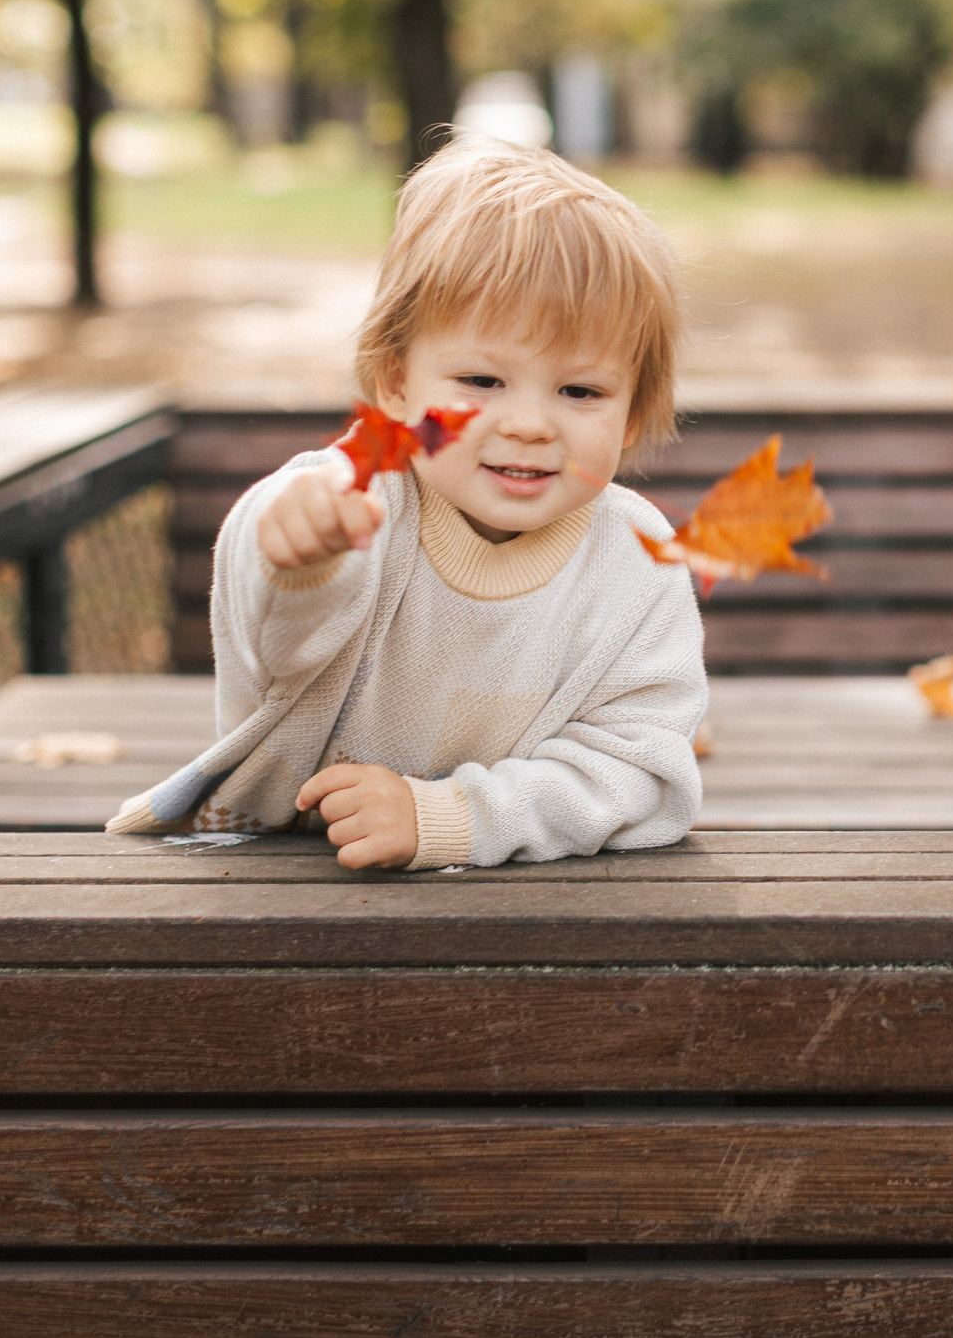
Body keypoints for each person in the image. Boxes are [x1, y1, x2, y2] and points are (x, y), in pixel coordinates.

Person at [107, 137, 705, 869]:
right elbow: (283, 646)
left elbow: (642, 772)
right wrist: (297, 554)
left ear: (633, 416)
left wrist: (449, 816)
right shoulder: (357, 499)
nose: (528, 423)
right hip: (275, 869)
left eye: (580, 391)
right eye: (482, 380)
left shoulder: (636, 560)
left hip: (528, 909)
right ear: (396, 386)